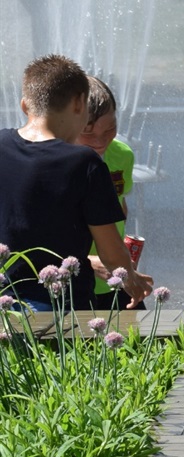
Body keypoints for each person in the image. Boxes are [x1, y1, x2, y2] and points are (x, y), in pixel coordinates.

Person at [0, 55, 151, 310]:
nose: (99, 140)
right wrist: (132, 281)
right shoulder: (84, 163)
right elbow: (112, 253)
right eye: (89, 131)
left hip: (8, 301)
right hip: (65, 305)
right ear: (80, 104)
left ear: (25, 105)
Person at [79, 75, 144, 311]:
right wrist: (89, 262)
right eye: (88, 133)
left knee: (142, 340)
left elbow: (119, 206)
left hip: (116, 279)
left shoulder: (122, 155)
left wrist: (123, 253)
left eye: (110, 129)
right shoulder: (54, 163)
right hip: (73, 283)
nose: (100, 141)